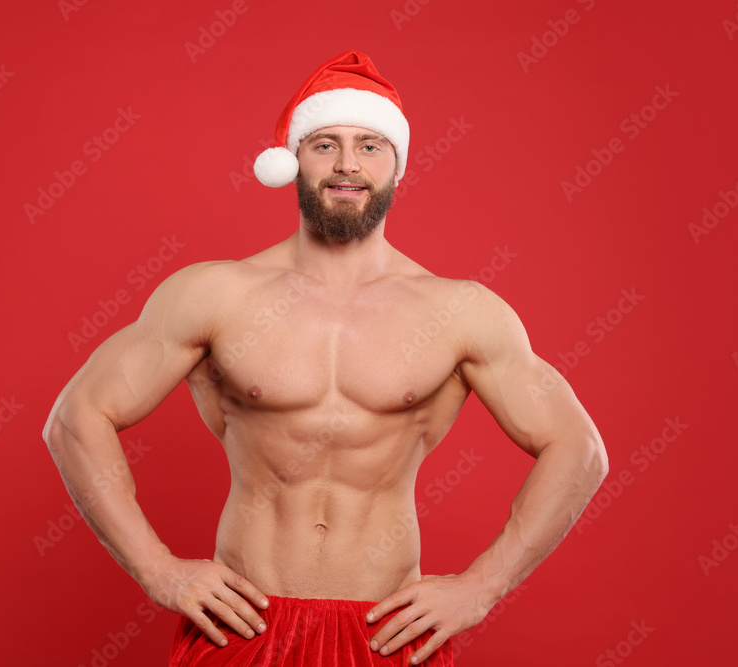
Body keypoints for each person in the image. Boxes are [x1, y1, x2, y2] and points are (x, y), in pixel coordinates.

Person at [43, 51, 608, 666]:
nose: (347, 165)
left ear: (398, 165)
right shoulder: (214, 294)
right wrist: (158, 570)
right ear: (292, 161)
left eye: (370, 146)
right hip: (244, 628)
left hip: (384, 634)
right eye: (324, 145)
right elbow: (77, 417)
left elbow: (578, 450)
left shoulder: (461, 312)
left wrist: (483, 585)